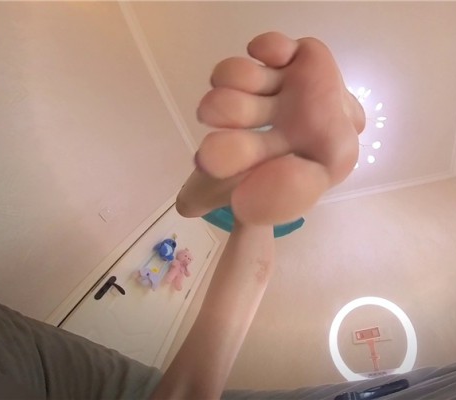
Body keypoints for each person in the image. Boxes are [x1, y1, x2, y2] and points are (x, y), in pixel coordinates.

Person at [151, 32, 366, 399]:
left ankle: (260, 162)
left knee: (189, 205)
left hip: (268, 177)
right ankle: (267, 162)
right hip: (278, 190)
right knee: (239, 217)